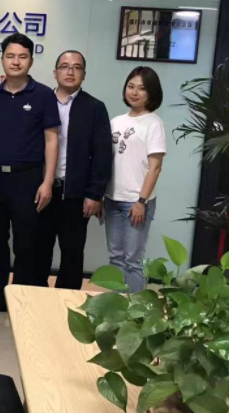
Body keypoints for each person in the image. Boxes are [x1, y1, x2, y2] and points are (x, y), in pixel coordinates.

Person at [0, 33, 60, 316]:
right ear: (2, 60)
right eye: (10, 56)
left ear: (31, 61)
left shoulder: (43, 95)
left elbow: (51, 140)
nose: (16, 61)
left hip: (28, 180)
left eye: (22, 56)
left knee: (25, 244)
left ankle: (20, 301)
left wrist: (47, 182)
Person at [36, 51, 112, 290]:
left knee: (72, 252)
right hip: (41, 189)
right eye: (65, 66)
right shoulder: (41, 101)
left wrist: (94, 194)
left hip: (76, 193)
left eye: (77, 67)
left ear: (84, 75)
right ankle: (36, 299)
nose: (70, 72)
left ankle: (65, 301)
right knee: (38, 249)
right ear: (55, 72)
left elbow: (102, 154)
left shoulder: (94, 107)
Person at [105, 66, 166, 293]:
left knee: (133, 260)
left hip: (136, 201)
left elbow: (155, 167)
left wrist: (142, 201)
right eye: (131, 86)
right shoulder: (116, 121)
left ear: (151, 93)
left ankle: (136, 309)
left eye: (141, 88)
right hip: (112, 198)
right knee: (116, 257)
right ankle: (117, 306)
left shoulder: (154, 123)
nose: (134, 92)